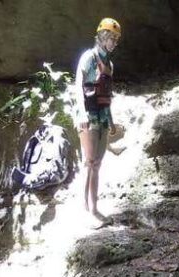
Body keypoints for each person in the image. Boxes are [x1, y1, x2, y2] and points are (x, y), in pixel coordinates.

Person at [74, 18, 121, 225]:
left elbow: (106, 94)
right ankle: (88, 211)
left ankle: (93, 208)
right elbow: (78, 86)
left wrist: (111, 121)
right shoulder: (88, 57)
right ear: (102, 37)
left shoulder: (109, 64)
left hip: (102, 117)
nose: (114, 43)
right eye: (111, 38)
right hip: (88, 115)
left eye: (116, 39)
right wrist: (82, 114)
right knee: (89, 163)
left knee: (98, 164)